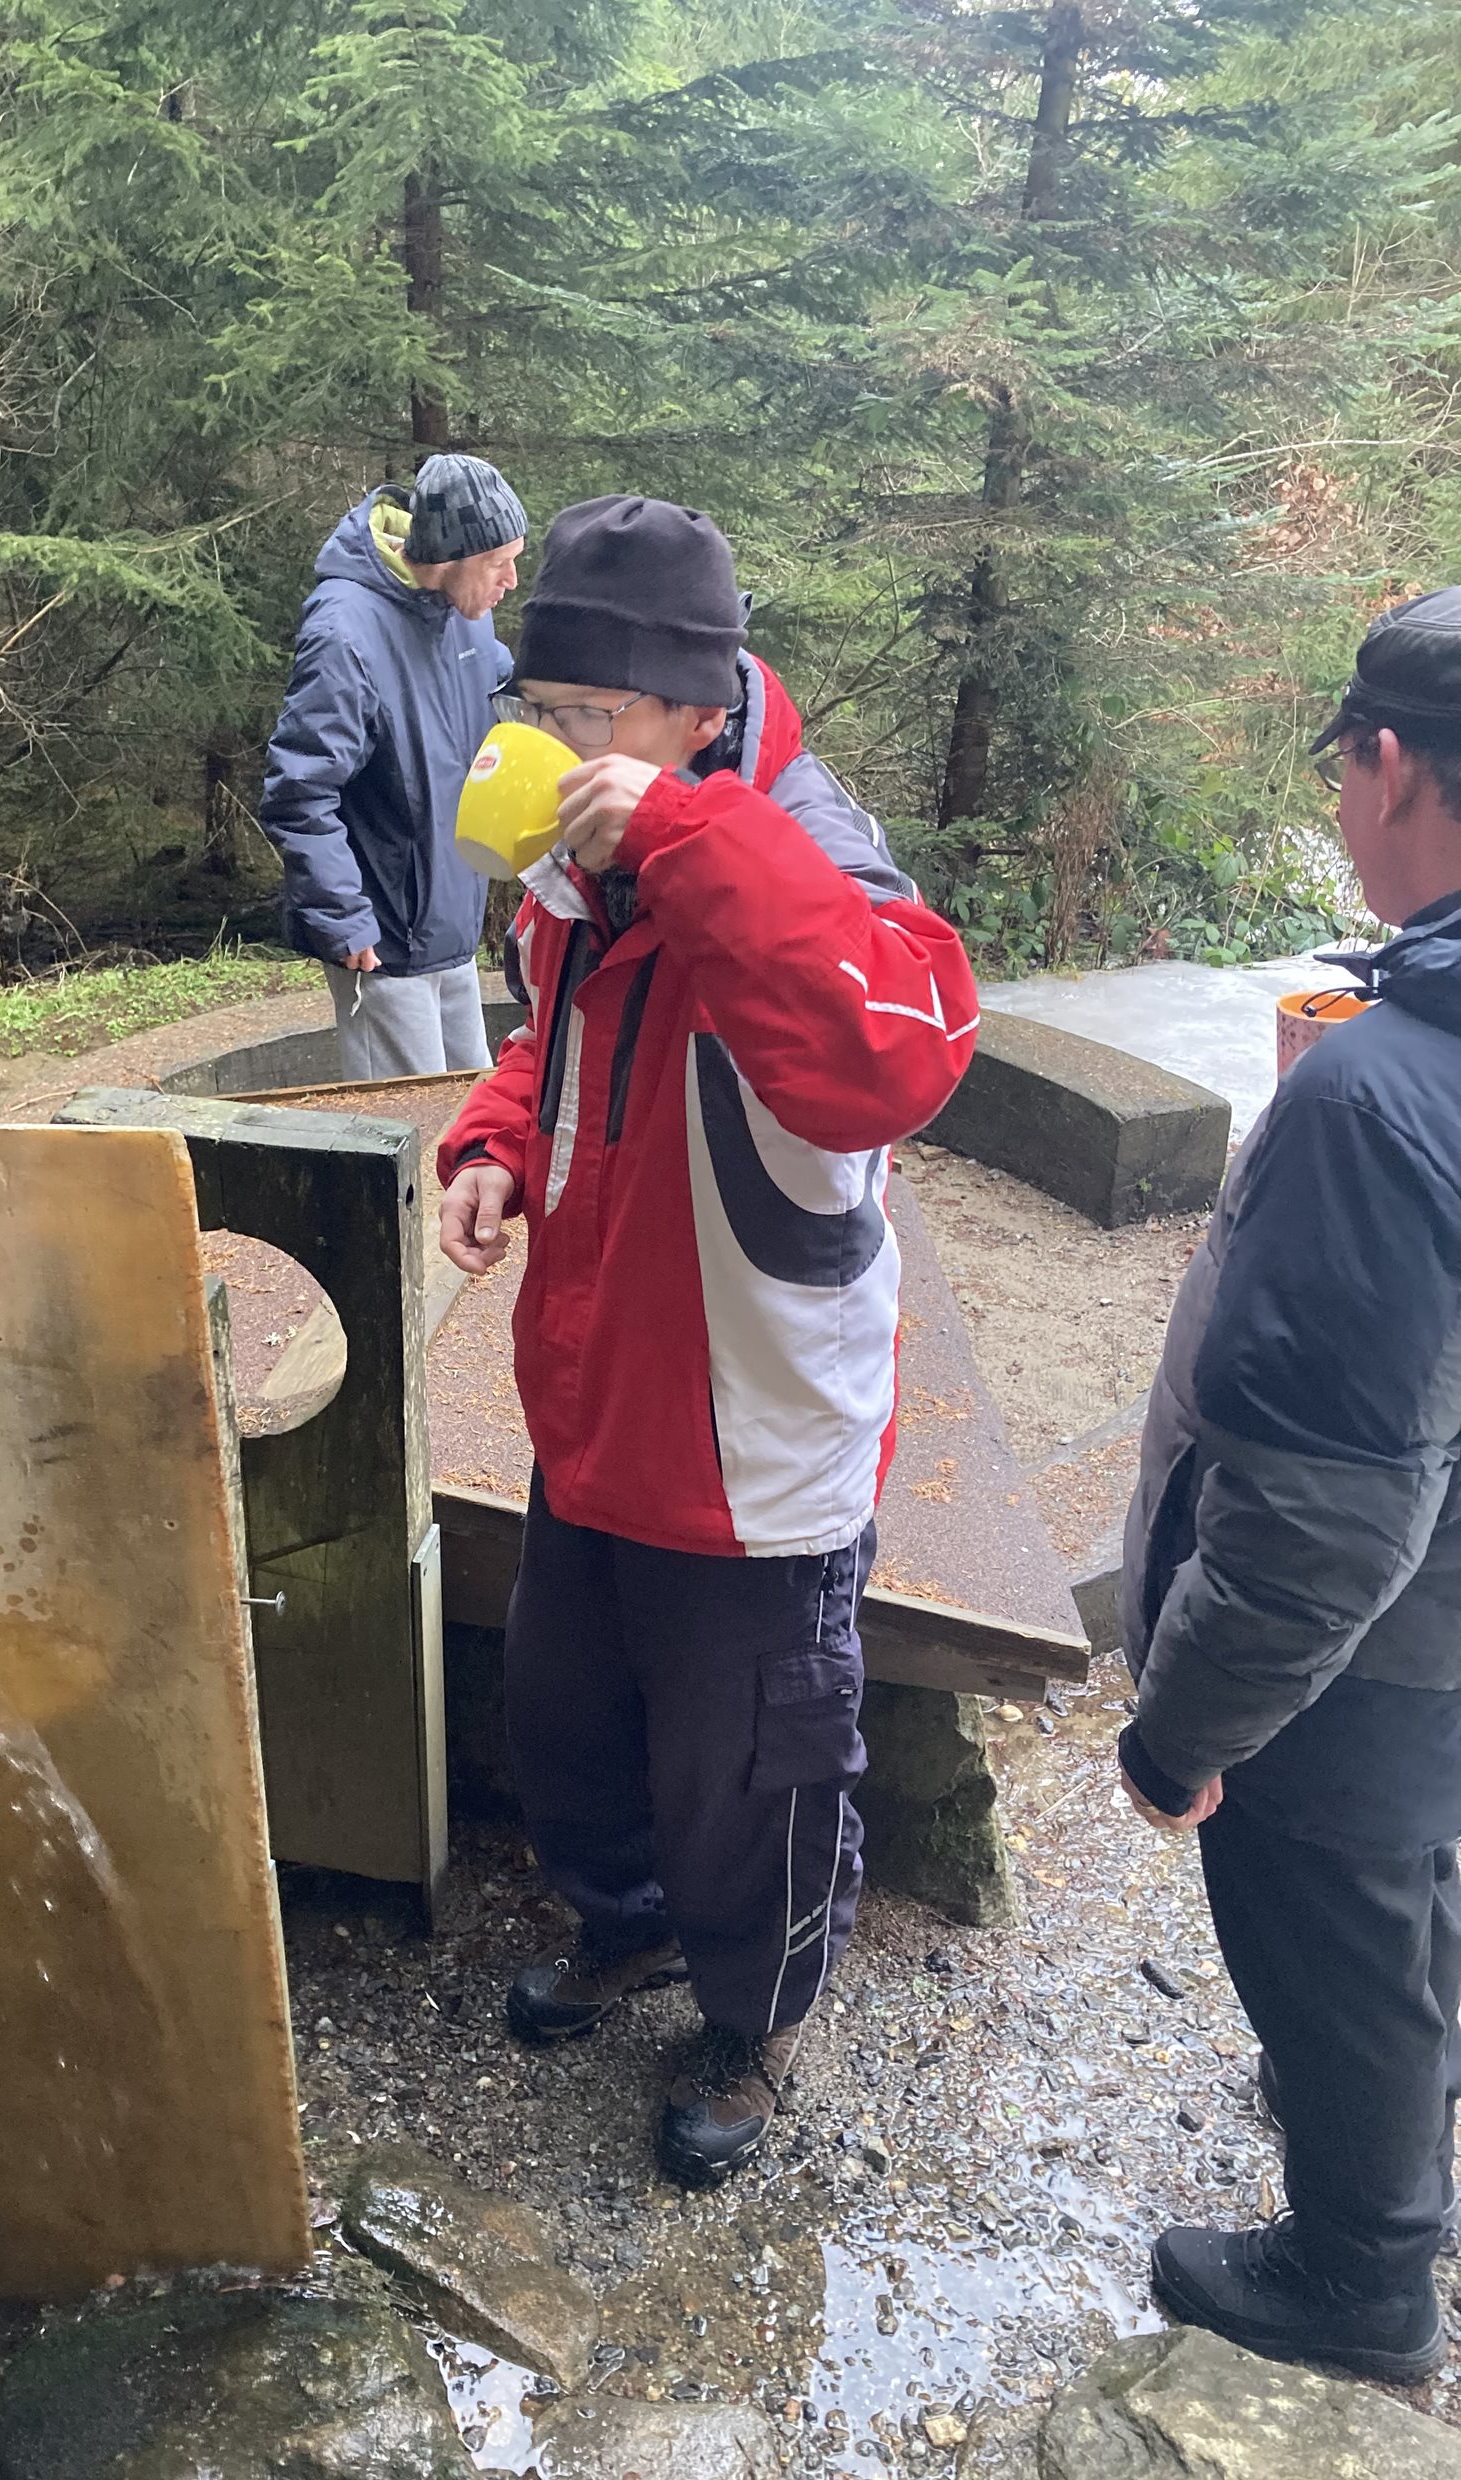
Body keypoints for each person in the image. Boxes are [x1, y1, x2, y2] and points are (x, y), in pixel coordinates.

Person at [434, 495, 979, 2187]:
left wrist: (683, 834)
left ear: (694, 706)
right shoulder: (585, 855)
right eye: (539, 708)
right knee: (570, 1717)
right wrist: (497, 1141)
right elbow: (555, 1032)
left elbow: (894, 1052)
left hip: (760, 1440)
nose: (553, 741)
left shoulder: (803, 849)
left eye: (584, 714)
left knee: (759, 1770)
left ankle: (754, 2019)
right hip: (600, 1394)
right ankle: (629, 1925)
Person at [1119, 584, 1461, 2383]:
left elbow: (1323, 1510)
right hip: (1444, 1626)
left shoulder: (1383, 1100)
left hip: (1371, 1655)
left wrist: (1182, 1731)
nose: (1339, 805)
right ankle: (1405, 2141)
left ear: (1392, 767)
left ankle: (1361, 2274)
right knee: (1412, 1898)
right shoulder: (1404, 1046)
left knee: (1334, 1927)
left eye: (1342, 773)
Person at [261, 453, 527, 1079]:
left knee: (468, 1114)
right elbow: (300, 791)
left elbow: (507, 701)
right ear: (450, 555)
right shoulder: (344, 631)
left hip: (452, 930)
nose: (512, 580)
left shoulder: (464, 615)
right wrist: (343, 918)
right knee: (406, 1125)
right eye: (498, 562)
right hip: (382, 945)